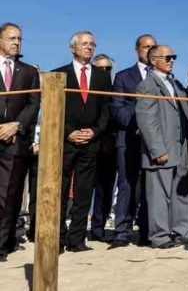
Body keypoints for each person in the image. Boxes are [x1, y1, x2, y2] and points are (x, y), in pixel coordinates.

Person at [53, 31, 112, 253]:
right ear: (73, 48)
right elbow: (53, 110)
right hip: (66, 142)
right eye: (85, 44)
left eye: (92, 44)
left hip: (91, 142)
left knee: (84, 192)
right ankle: (57, 238)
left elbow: (106, 109)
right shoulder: (59, 74)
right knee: (60, 190)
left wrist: (95, 131)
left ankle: (76, 239)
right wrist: (68, 132)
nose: (90, 47)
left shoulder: (102, 76)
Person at [135, 45, 188, 249]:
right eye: (167, 57)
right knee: (159, 195)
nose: (171, 60)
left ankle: (182, 231)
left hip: (180, 147)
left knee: (181, 191)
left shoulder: (175, 84)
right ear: (153, 60)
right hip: (162, 149)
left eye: (173, 57)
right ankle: (160, 236)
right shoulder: (147, 85)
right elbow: (146, 120)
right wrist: (157, 150)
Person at [110, 34, 156, 248]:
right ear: (137, 50)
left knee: (150, 187)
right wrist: (143, 110)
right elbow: (118, 110)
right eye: (146, 47)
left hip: (154, 142)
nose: (150, 50)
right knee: (126, 184)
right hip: (129, 138)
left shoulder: (163, 77)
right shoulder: (122, 77)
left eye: (153, 47)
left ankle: (146, 230)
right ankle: (122, 230)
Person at [0, 23, 40, 262]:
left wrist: (17, 125)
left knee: (9, 194)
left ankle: (3, 245)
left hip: (15, 140)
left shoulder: (28, 71)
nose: (16, 42)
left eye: (19, 39)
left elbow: (34, 103)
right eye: (11, 38)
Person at [88, 54, 117, 243]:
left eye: (108, 69)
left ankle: (99, 227)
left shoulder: (115, 90)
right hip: (88, 145)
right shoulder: (87, 91)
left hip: (109, 147)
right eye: (101, 69)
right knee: (83, 190)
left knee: (105, 190)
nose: (105, 72)